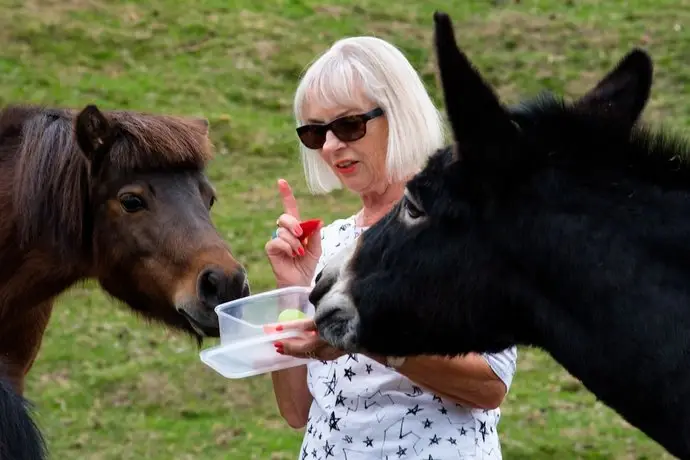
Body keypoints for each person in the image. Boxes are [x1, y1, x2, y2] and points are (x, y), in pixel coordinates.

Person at [265, 35, 517, 460]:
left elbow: (488, 385)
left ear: (398, 114)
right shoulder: (331, 245)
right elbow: (296, 411)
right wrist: (293, 288)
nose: (329, 146)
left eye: (348, 125)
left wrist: (363, 335)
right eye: (314, 132)